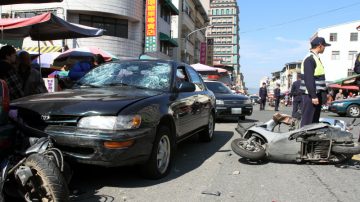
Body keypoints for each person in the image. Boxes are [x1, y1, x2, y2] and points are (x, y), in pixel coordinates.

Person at [300, 37, 330, 127]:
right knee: (308, 121)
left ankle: (311, 140)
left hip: (315, 95)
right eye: (324, 46)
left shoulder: (316, 58)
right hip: (310, 96)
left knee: (314, 121)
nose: (325, 48)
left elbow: (319, 79)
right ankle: (305, 140)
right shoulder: (310, 58)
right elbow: (309, 78)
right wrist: (313, 96)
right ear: (320, 45)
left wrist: (324, 95)